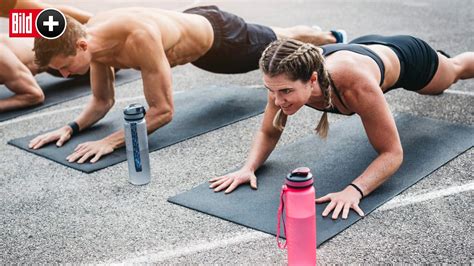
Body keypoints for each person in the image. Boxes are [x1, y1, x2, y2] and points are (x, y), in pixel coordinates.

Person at [28, 5, 347, 164]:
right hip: (195, 29)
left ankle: (331, 41)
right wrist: (71, 127)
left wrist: (109, 142)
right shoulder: (92, 41)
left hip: (222, 43)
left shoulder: (137, 36)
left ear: (81, 47)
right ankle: (319, 34)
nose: (66, 76)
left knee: (278, 39)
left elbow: (163, 110)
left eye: (66, 67)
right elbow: (101, 101)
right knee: (275, 32)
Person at [209, 35, 474, 220]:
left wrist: (354, 191)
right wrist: (248, 168)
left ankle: (442, 61)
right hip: (362, 47)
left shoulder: (355, 85)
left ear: (312, 80)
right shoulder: (281, 80)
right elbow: (269, 130)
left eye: (286, 91)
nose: (277, 100)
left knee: (454, 71)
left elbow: (392, 153)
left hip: (407, 56)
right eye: (272, 91)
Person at [0, 0, 92, 112]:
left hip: (53, 50)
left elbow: (35, 95)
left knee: (44, 15)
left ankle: (98, 23)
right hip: (35, 43)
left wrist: (95, 22)